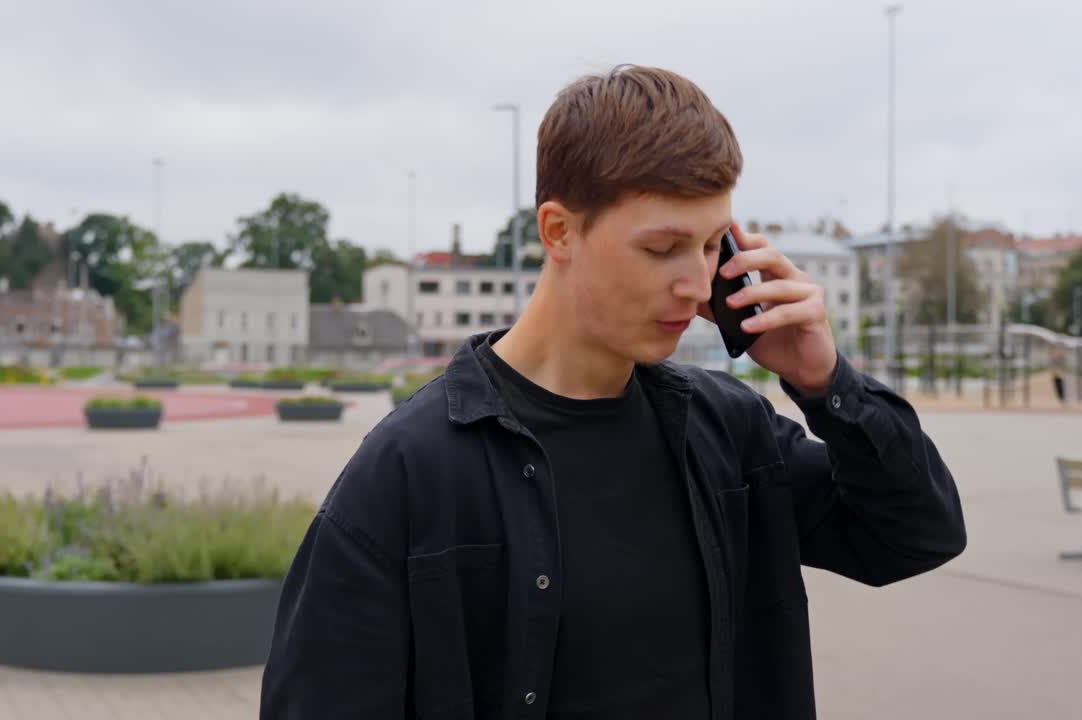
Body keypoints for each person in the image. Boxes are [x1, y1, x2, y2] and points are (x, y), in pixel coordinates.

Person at [261, 64, 966, 720]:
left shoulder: (727, 432)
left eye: (714, 244)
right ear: (560, 232)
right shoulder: (409, 474)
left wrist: (825, 383)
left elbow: (914, 536)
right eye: (662, 249)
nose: (695, 283)